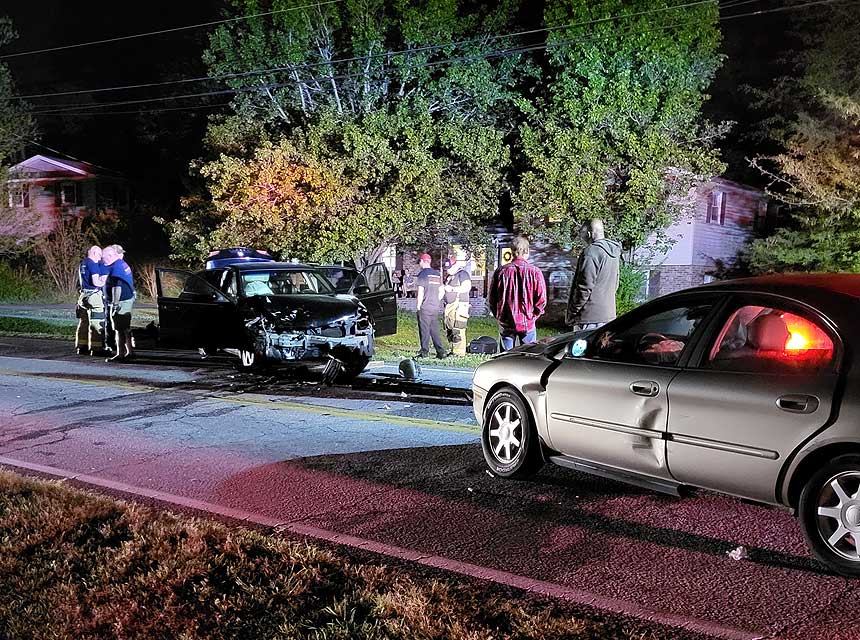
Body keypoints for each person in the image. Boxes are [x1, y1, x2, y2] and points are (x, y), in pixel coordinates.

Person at [488, 235, 547, 351]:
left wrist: (499, 315)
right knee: (528, 357)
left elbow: (492, 299)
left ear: (512, 252)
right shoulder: (535, 272)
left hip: (506, 322)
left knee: (505, 359)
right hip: (528, 322)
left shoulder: (501, 272)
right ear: (527, 251)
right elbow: (541, 300)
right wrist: (533, 316)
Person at [566, 219, 622, 331]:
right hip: (608, 315)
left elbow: (584, 287)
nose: (582, 239)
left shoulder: (590, 253)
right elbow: (615, 283)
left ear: (589, 234)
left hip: (589, 316)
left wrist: (574, 310)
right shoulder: (613, 253)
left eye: (582, 235)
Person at [101, 244, 136, 362]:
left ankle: (120, 354)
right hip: (126, 300)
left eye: (104, 256)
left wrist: (114, 304)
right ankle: (130, 351)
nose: (103, 258)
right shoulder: (122, 264)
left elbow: (117, 288)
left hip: (121, 302)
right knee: (125, 328)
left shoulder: (116, 267)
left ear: (111, 255)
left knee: (119, 329)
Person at [74, 245, 107, 355]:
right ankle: (96, 348)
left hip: (83, 296)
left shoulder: (83, 263)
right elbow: (96, 282)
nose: (100, 258)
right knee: (97, 322)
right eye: (99, 255)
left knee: (84, 322)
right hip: (94, 296)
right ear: (93, 253)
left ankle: (81, 346)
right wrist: (104, 281)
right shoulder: (93, 264)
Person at [415, 252, 446, 359]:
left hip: (425, 306)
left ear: (423, 262)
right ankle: (441, 352)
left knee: (424, 330)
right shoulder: (437, 274)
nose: (420, 263)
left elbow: (420, 292)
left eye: (420, 261)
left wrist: (418, 307)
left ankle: (424, 352)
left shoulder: (422, 275)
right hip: (435, 306)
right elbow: (442, 291)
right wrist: (436, 301)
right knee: (434, 330)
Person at [443, 258, 471, 356]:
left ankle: (459, 353)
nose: (448, 270)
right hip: (449, 306)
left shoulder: (462, 274)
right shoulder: (449, 277)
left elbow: (467, 287)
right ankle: (453, 350)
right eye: (447, 268)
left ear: (455, 266)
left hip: (459, 305)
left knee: (458, 328)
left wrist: (452, 289)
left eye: (450, 268)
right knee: (450, 328)